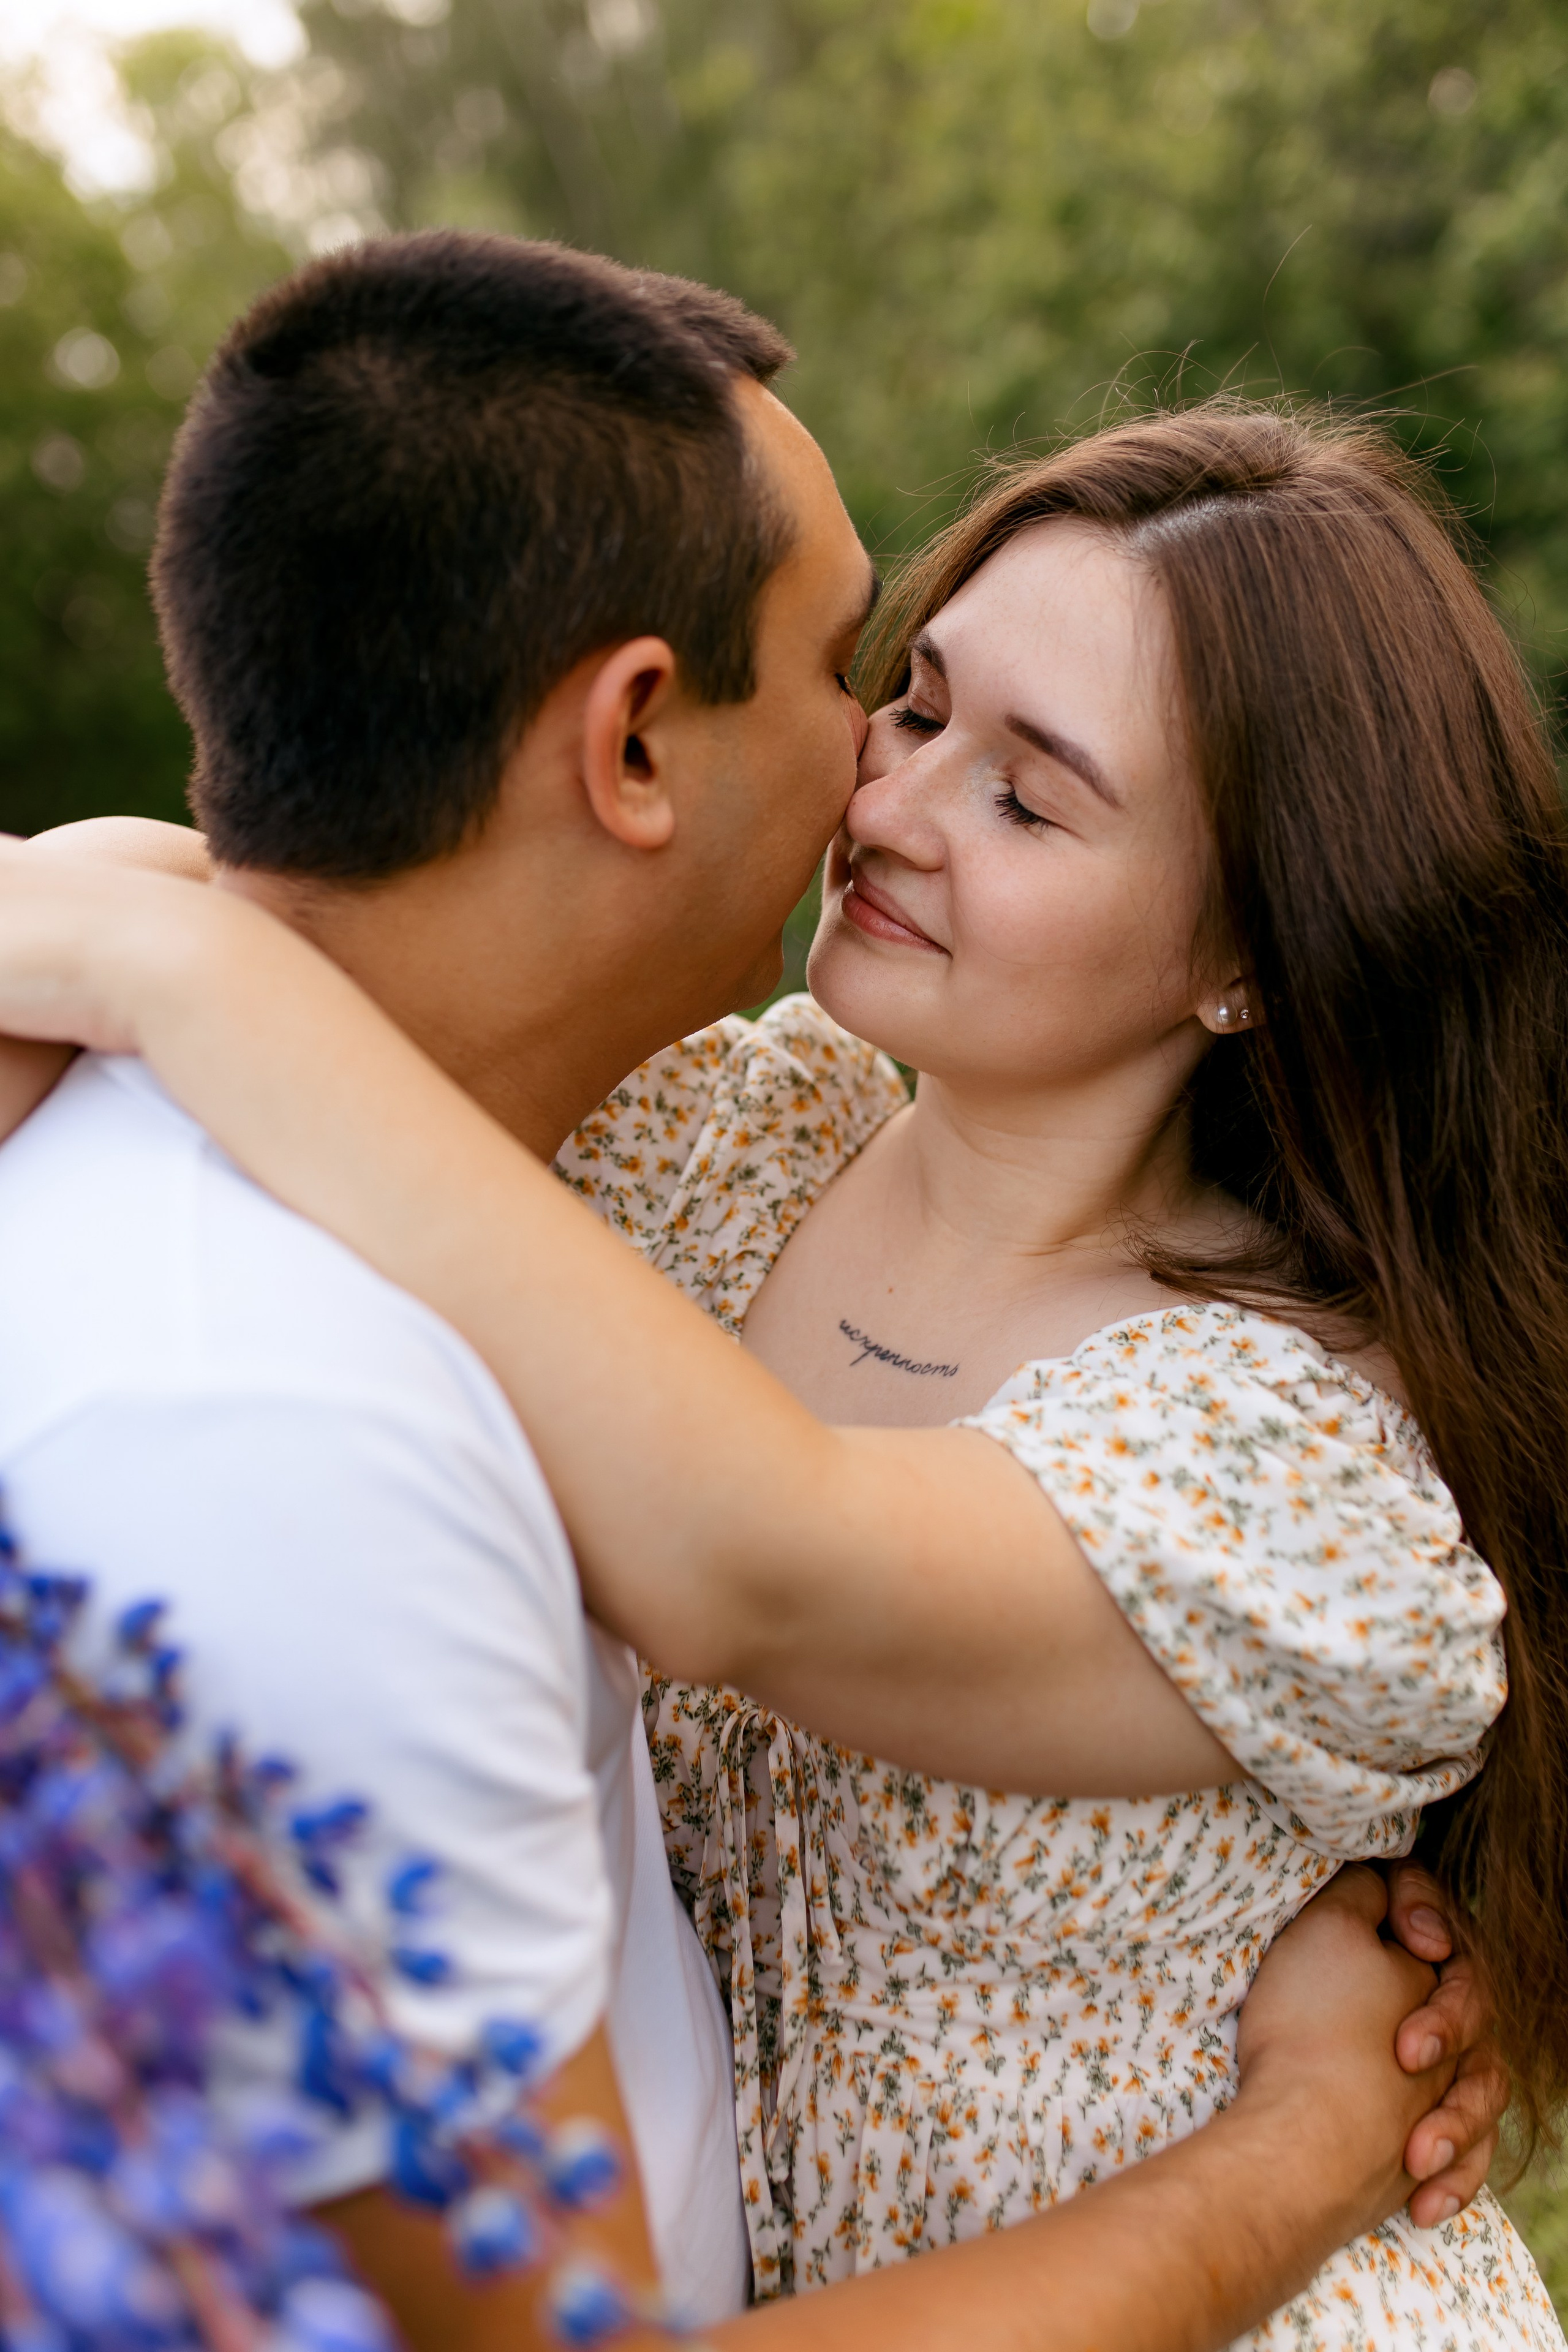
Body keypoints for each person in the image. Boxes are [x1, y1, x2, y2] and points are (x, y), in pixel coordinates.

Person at [0, 235, 1515, 2350]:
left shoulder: (1285, 1460)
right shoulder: (731, 1144)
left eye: (1028, 794)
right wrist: (124, 883)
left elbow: (760, 1556)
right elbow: (384, 919)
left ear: (1248, 950)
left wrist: (176, 969)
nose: (886, 801)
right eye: (910, 700)